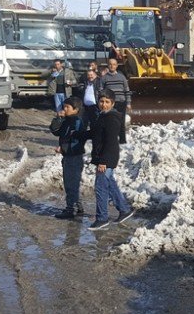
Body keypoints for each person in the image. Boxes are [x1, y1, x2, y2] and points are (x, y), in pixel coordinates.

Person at [88, 89, 134, 231]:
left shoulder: (112, 118)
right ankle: (124, 209)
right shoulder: (103, 116)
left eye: (107, 102)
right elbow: (96, 134)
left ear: (112, 103)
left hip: (107, 157)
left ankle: (102, 218)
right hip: (105, 157)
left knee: (101, 187)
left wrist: (103, 161)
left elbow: (110, 142)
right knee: (110, 183)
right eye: (101, 101)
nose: (104, 104)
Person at [49, 96, 89, 219]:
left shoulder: (77, 122)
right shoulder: (67, 120)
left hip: (74, 157)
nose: (64, 109)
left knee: (72, 184)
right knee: (70, 183)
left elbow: (75, 141)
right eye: (64, 107)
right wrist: (58, 118)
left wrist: (63, 148)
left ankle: (71, 209)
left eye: (67, 107)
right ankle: (78, 207)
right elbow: (55, 130)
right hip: (67, 156)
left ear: (76, 109)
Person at [100, 57, 131, 144]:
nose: (112, 66)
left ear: (116, 66)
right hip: (109, 104)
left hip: (121, 102)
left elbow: (127, 90)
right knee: (109, 122)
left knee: (121, 122)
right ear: (108, 65)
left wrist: (128, 103)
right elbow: (100, 91)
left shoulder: (122, 77)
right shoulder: (104, 78)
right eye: (110, 64)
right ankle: (110, 140)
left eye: (114, 64)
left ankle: (122, 140)